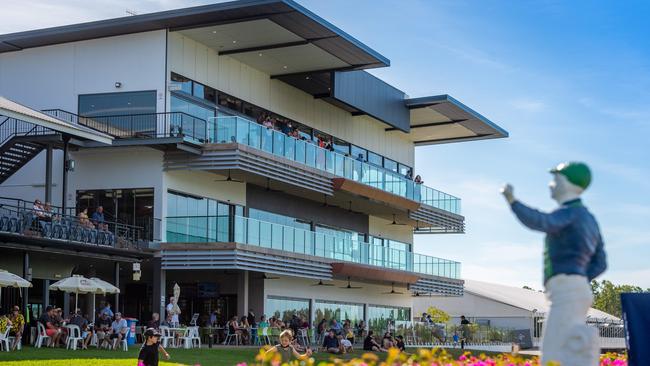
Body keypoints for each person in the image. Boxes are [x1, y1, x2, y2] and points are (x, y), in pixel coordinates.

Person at [501, 161, 606, 366]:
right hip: (576, 290)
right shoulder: (589, 218)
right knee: (569, 347)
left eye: (555, 180)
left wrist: (512, 200)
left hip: (567, 291)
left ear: (566, 184)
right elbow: (601, 262)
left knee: (553, 353)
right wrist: (580, 278)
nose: (550, 185)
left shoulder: (570, 213)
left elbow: (542, 221)